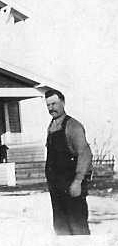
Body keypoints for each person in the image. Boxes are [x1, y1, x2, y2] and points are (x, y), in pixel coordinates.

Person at [44, 89, 92, 235]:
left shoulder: (73, 126)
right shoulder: (51, 126)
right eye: (48, 105)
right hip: (56, 186)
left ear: (63, 103)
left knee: (77, 227)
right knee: (61, 227)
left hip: (72, 185)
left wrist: (78, 181)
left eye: (54, 103)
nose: (51, 108)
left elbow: (85, 154)